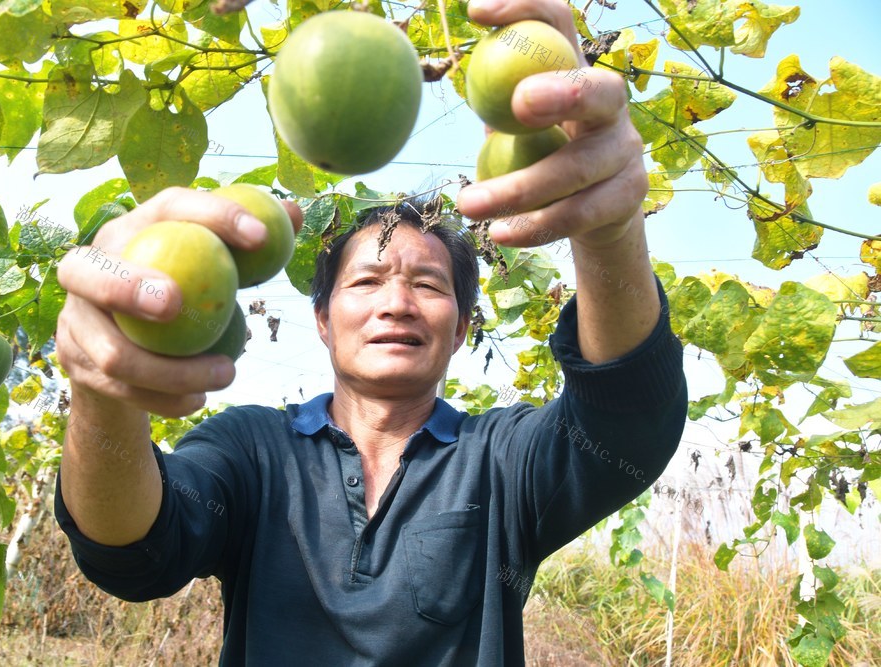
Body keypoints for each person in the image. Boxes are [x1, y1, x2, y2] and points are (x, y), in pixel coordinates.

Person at [52, 0, 688, 663]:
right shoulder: (254, 449)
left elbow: (629, 420)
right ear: (322, 320)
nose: (397, 302)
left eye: (428, 284)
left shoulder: (499, 461)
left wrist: (610, 230)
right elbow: (131, 549)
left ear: (464, 324)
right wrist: (101, 389)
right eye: (366, 281)